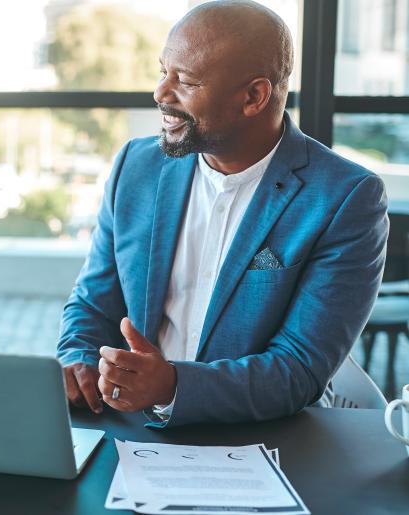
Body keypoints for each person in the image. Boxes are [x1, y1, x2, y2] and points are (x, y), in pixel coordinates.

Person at [57, 0, 388, 427]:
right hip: (129, 427)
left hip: (265, 444)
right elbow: (92, 303)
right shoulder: (135, 167)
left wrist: (173, 386)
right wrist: (78, 360)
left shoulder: (345, 199)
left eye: (186, 81)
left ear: (254, 96)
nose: (161, 93)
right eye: (163, 72)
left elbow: (299, 368)